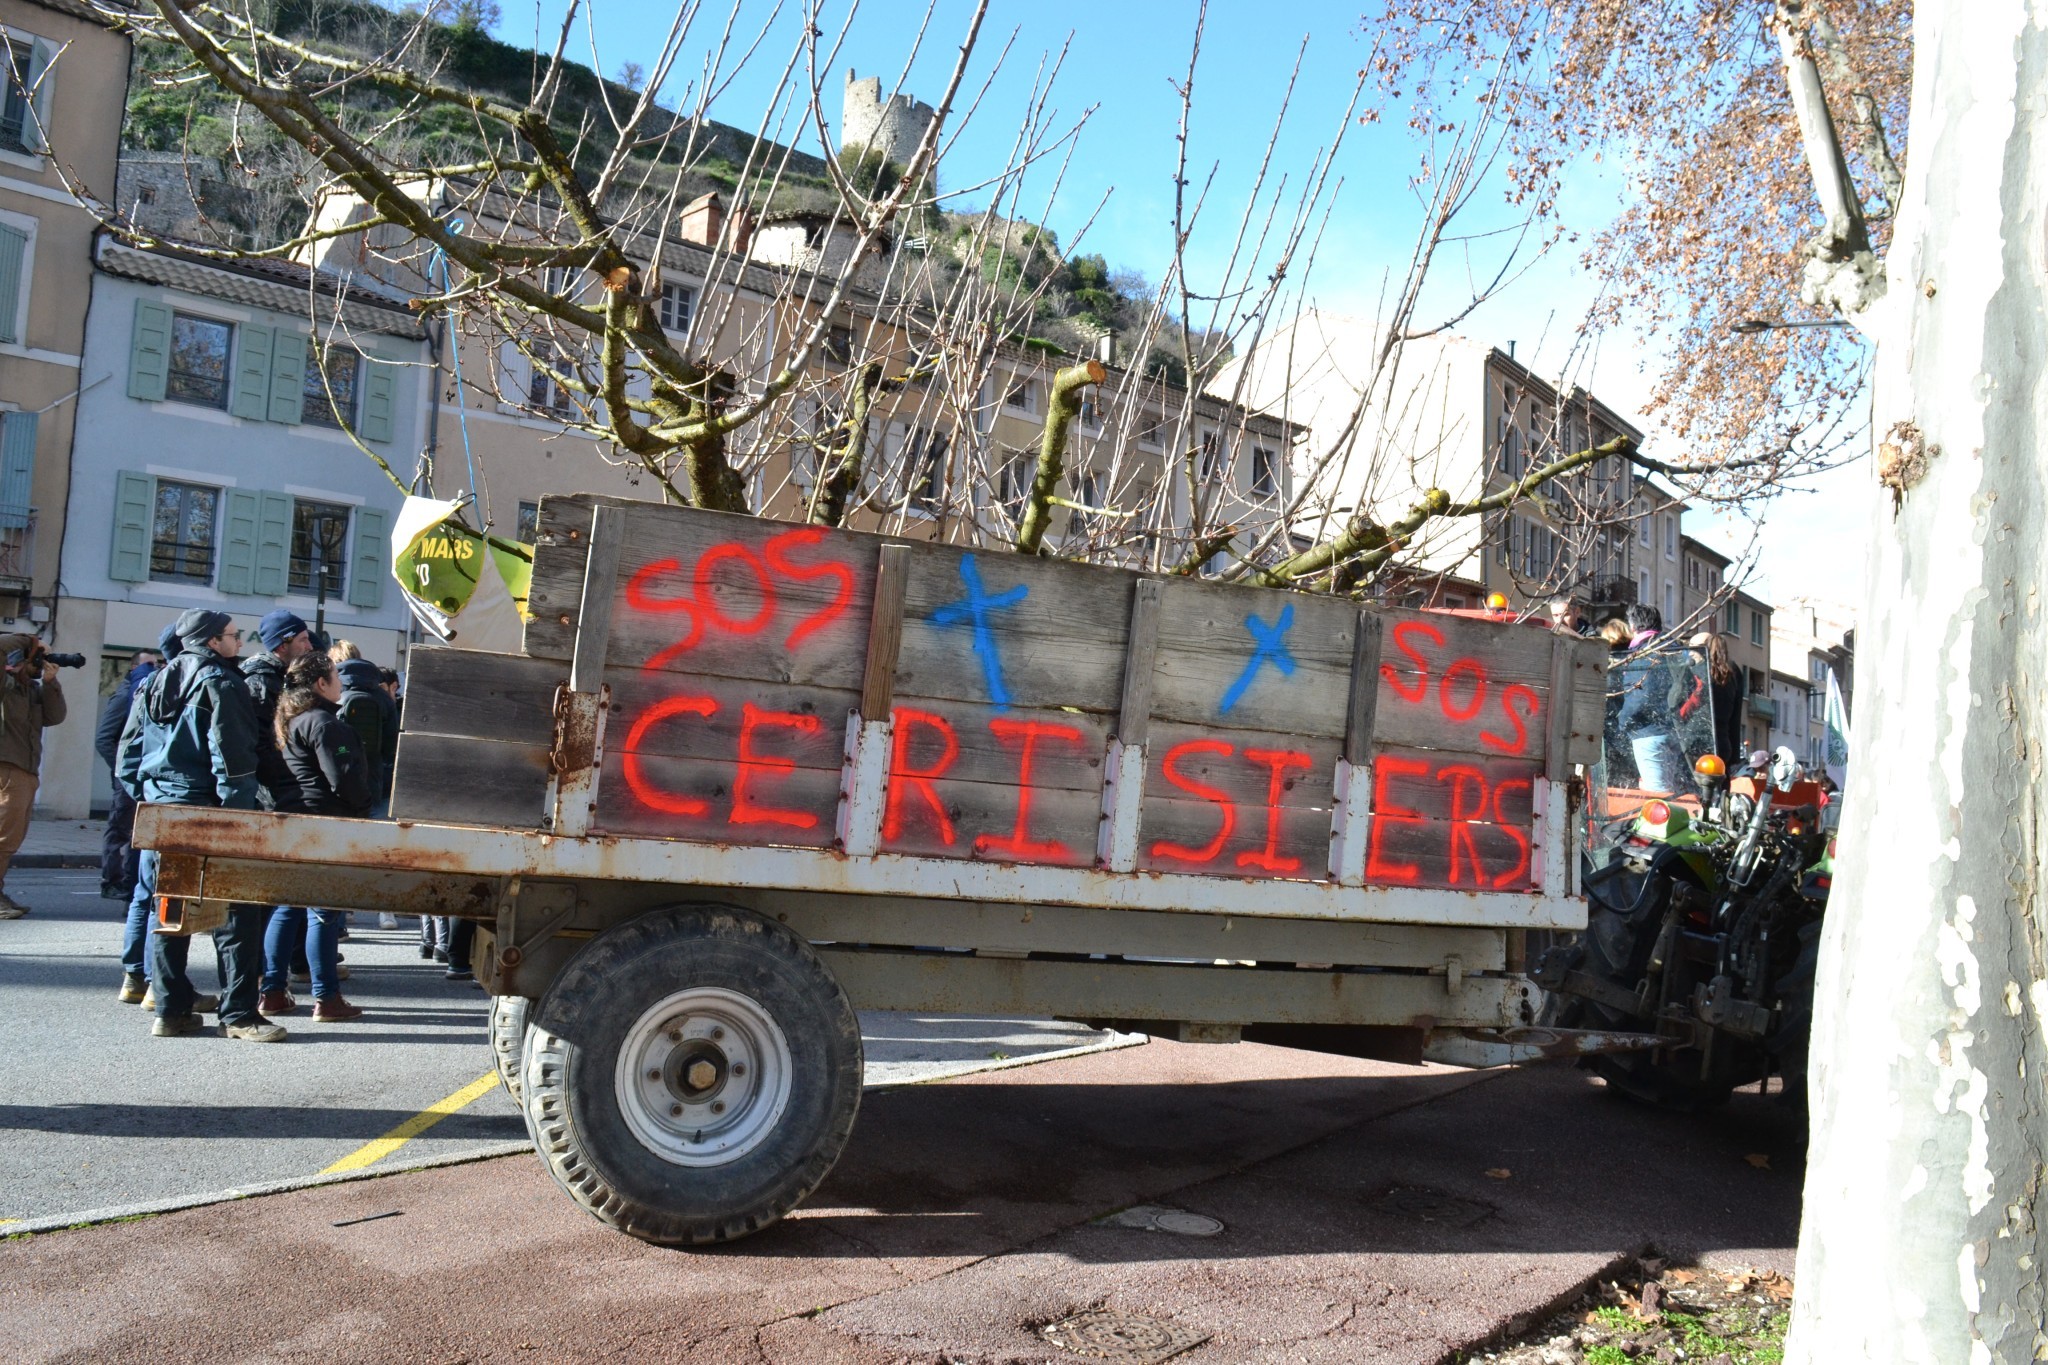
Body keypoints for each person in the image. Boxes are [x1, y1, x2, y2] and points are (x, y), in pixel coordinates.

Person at [117, 609, 285, 1042]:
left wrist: (150, 793)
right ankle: (239, 1015)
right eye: (233, 635)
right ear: (213, 641)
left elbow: (127, 754)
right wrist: (235, 817)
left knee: (170, 912)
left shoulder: (155, 679)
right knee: (236, 915)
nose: (239, 642)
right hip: (207, 812)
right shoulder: (222, 682)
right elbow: (231, 757)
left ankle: (171, 1012)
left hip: (164, 809)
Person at [259, 653, 370, 1021]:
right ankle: (326, 998)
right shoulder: (324, 722)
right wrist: (360, 806)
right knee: (323, 909)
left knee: (288, 906)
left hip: (296, 820)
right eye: (336, 675)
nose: (340, 682)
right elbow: (343, 779)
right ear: (321, 683)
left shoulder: (290, 721)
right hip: (324, 823)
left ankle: (272, 991)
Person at [115, 627, 183, 1001]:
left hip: (152, 797)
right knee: (165, 893)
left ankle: (133, 977)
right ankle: (156, 986)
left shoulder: (149, 686)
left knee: (146, 892)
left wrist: (142, 791)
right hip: (168, 798)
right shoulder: (184, 685)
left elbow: (127, 752)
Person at [0, 632, 68, 920]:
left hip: (26, 773)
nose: (41, 664)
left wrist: (51, 684)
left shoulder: (32, 691)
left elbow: (55, 717)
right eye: (37, 660)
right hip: (6, 770)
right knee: (2, 838)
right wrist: (32, 641)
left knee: (11, 840)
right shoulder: (5, 686)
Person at [95, 649, 162, 902]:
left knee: (137, 832)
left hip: (143, 775)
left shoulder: (147, 695)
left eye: (156, 664)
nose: (154, 668)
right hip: (128, 777)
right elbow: (104, 738)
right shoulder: (124, 696)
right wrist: (123, 771)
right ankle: (111, 882)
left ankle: (128, 881)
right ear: (134, 668)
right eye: (148, 664)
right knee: (120, 831)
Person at [1692, 631, 1748, 769]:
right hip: (1723, 743)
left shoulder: (1700, 672)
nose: (1690, 653)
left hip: (1701, 742)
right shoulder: (1732, 671)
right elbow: (1736, 715)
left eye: (1693, 647)